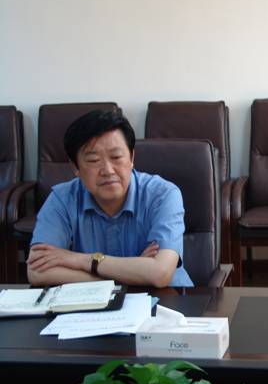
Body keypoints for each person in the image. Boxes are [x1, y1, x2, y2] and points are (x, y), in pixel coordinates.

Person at [27, 110, 193, 287]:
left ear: (131, 157)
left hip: (169, 300)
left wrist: (81, 260)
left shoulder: (163, 195)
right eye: (93, 160)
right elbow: (37, 271)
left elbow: (160, 273)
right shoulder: (62, 199)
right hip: (93, 303)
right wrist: (132, 274)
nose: (107, 170)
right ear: (75, 167)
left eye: (116, 157)